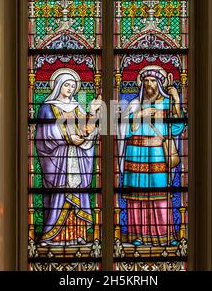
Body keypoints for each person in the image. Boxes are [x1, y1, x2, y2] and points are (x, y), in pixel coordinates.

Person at [118, 65, 184, 246]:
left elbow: (177, 127)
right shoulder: (134, 104)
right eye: (146, 81)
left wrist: (176, 101)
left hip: (157, 153)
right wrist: (140, 114)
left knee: (160, 194)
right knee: (137, 195)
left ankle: (164, 234)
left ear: (160, 83)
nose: (149, 84)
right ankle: (137, 235)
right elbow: (123, 130)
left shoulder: (166, 102)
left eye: (153, 81)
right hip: (136, 153)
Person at [36, 68, 102, 246]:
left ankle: (78, 234)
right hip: (58, 158)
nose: (70, 89)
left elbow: (87, 129)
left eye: (73, 86)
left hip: (76, 158)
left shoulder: (78, 107)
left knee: (77, 193)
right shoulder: (47, 107)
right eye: (66, 85)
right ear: (58, 86)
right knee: (60, 193)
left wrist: (94, 112)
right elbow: (45, 133)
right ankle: (51, 234)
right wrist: (67, 138)